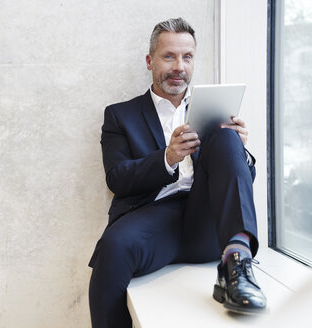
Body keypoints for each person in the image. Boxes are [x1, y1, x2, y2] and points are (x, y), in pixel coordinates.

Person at [88, 17, 267, 328]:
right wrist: (167, 157)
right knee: (112, 248)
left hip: (207, 219)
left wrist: (239, 151)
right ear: (150, 60)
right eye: (169, 56)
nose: (179, 67)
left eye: (187, 57)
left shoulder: (214, 109)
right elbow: (116, 177)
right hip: (153, 219)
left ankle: (236, 264)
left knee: (226, 137)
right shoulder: (120, 115)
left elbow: (239, 185)